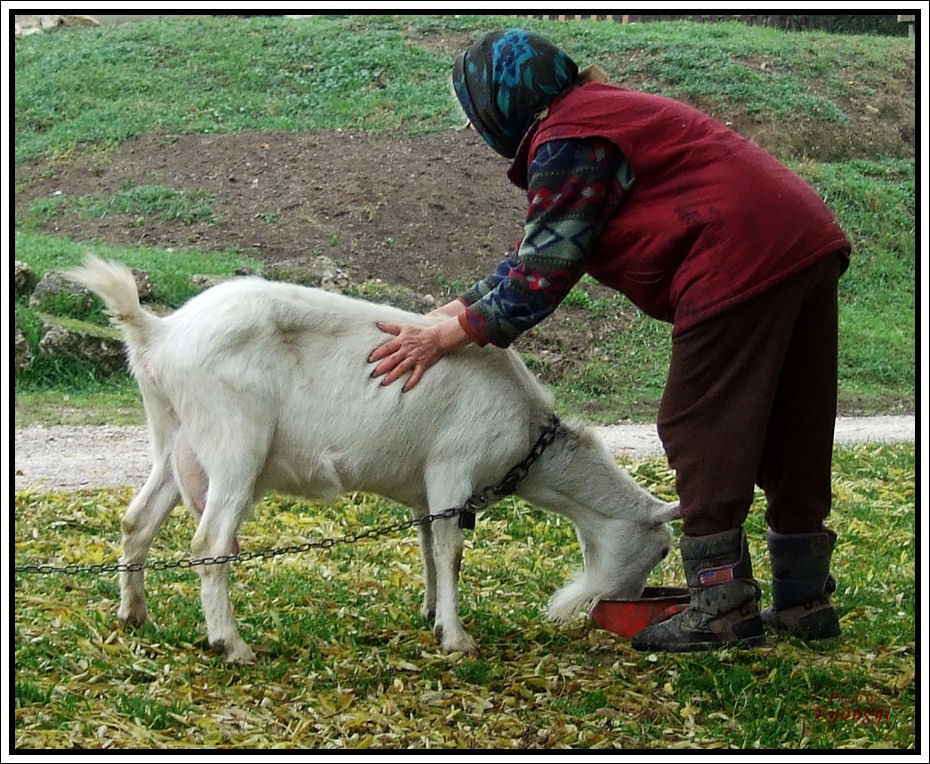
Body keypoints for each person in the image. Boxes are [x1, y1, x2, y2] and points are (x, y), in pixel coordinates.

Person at [368, 29, 850, 652]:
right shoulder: (599, 115)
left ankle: (721, 605)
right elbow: (538, 252)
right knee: (794, 425)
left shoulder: (571, 137)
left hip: (736, 255)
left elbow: (540, 278)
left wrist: (447, 337)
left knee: (701, 426)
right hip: (803, 237)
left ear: (500, 103)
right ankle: (804, 600)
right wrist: (450, 313)